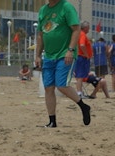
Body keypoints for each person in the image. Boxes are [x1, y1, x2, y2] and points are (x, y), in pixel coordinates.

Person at [35, 0, 90, 128]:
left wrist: (70, 50)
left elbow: (76, 30)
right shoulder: (43, 10)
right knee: (48, 88)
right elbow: (41, 35)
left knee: (61, 85)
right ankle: (52, 121)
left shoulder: (66, 7)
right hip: (48, 55)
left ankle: (83, 106)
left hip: (64, 54)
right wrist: (38, 55)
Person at [75, 21, 92, 99]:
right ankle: (79, 92)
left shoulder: (80, 34)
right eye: (88, 27)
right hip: (81, 57)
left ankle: (80, 92)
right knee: (80, 76)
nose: (89, 29)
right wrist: (86, 54)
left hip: (80, 56)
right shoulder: (82, 35)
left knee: (80, 75)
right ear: (85, 28)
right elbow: (82, 45)